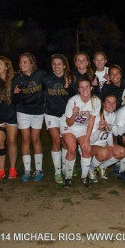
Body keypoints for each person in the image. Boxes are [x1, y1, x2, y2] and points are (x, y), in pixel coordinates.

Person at [12, 53, 47, 182]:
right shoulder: (17, 78)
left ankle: (38, 170)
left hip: (38, 111)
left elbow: (50, 84)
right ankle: (27, 170)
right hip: (23, 111)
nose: (22, 64)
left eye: (25, 62)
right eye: (20, 62)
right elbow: (14, 99)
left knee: (35, 138)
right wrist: (15, 94)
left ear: (32, 63)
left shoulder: (41, 74)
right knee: (26, 139)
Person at [61, 77, 101, 188]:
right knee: (72, 148)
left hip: (83, 127)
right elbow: (68, 123)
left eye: (87, 86)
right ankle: (68, 178)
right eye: (81, 87)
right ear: (78, 89)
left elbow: (91, 121)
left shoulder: (96, 101)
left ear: (91, 88)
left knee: (86, 148)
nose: (84, 89)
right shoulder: (72, 101)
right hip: (69, 126)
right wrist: (74, 114)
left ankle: (84, 177)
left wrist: (87, 140)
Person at [43, 54, 75, 184]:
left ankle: (66, 167)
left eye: (59, 64)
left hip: (65, 115)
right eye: (54, 64)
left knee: (65, 143)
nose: (56, 66)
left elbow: (76, 96)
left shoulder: (70, 78)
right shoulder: (46, 79)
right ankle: (57, 171)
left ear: (64, 65)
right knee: (56, 140)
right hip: (51, 114)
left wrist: (70, 87)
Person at [0, 56, 18, 180]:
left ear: (7, 66)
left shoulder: (15, 79)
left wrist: (16, 94)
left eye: (0, 64)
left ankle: (12, 168)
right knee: (0, 142)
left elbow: (19, 100)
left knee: (11, 141)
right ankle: (1, 170)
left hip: (12, 114)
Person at [87, 93, 125, 182]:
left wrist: (111, 145)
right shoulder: (96, 116)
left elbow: (109, 133)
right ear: (103, 104)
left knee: (122, 152)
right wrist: (99, 129)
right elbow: (91, 140)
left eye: (114, 102)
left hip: (103, 144)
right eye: (108, 102)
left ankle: (101, 166)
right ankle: (91, 168)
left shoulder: (112, 115)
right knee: (104, 153)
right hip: (91, 145)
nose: (111, 105)